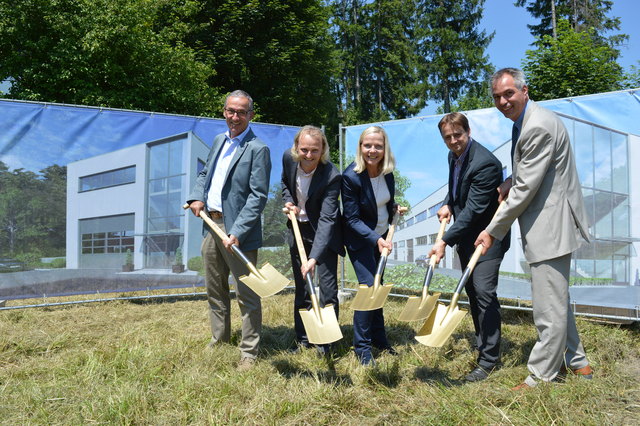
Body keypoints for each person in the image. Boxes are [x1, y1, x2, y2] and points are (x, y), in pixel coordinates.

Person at [475, 68, 592, 390]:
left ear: (525, 90)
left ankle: (541, 376)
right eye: (497, 96)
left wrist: (492, 230)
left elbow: (526, 191)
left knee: (546, 309)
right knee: (556, 300)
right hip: (549, 223)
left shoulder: (537, 126)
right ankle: (578, 363)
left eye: (508, 93)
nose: (503, 101)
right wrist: (512, 179)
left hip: (550, 226)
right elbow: (533, 172)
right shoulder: (529, 121)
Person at [186, 90, 271, 372]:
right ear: (224, 111)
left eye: (242, 112)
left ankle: (249, 352)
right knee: (215, 288)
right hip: (210, 225)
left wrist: (237, 231)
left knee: (247, 293)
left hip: (237, 232)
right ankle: (220, 339)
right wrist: (197, 197)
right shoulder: (219, 140)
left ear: (251, 116)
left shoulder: (258, 149)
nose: (235, 117)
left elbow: (258, 196)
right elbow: (204, 174)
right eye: (231, 111)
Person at [428, 112, 510, 382]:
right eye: (448, 137)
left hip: (488, 237)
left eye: (457, 135)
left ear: (468, 131)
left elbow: (475, 209)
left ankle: (489, 360)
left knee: (484, 292)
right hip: (467, 237)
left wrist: (444, 241)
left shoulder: (486, 164)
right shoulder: (454, 156)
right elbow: (457, 189)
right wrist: (447, 202)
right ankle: (483, 342)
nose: (453, 141)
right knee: (473, 292)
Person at [281, 125, 344, 355]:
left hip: (324, 235)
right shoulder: (289, 159)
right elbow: (285, 184)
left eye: (314, 151)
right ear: (297, 147)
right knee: (303, 287)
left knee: (327, 290)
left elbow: (328, 219)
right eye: (304, 149)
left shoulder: (332, 175)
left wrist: (314, 257)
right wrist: (289, 201)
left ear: (323, 150)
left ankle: (327, 343)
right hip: (298, 229)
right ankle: (304, 339)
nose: (308, 155)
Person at [342, 125, 400, 366]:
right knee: (368, 287)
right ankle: (362, 347)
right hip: (361, 240)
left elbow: (387, 201)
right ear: (360, 147)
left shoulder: (387, 173)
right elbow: (352, 219)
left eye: (378, 145)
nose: (373, 150)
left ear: (384, 148)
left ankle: (379, 339)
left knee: (379, 286)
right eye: (368, 145)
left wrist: (394, 209)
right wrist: (376, 239)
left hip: (382, 238)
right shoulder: (351, 177)